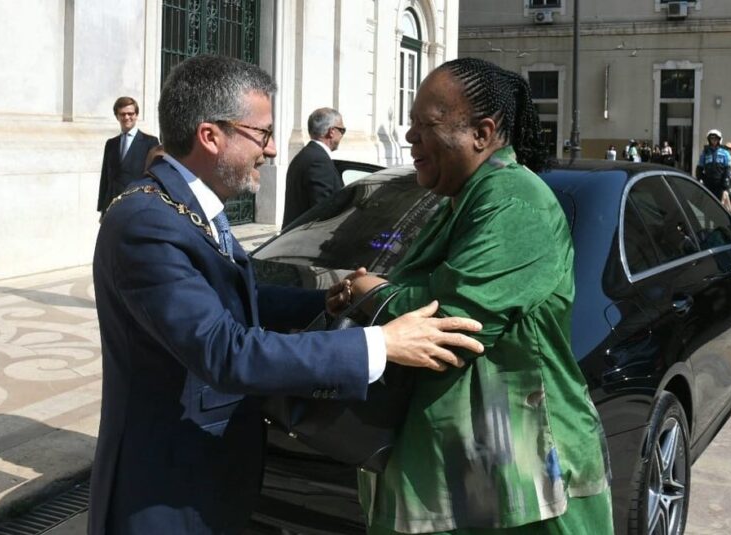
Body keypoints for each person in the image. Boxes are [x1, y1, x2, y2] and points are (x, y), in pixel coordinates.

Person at [89, 54, 485, 535]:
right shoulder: (144, 223)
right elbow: (223, 351)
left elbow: (239, 296)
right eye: (262, 134)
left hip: (213, 474)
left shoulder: (190, 207)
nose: (273, 150)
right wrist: (380, 344)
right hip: (166, 490)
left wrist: (323, 302)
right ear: (211, 136)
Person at [351, 58, 613, 535]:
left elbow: (455, 323)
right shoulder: (462, 199)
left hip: (525, 481)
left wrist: (374, 296)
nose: (410, 137)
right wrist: (363, 297)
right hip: (465, 473)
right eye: (410, 124)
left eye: (426, 125)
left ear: (483, 132)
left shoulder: (515, 200)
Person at [282, 107, 347, 227]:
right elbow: (323, 212)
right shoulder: (319, 161)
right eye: (342, 130)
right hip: (307, 241)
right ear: (332, 131)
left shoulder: (305, 155)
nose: (342, 135)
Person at [97, 96, 160, 214]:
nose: (126, 117)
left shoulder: (150, 142)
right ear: (117, 116)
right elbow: (105, 178)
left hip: (138, 206)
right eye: (122, 114)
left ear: (136, 115)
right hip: (113, 207)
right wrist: (102, 209)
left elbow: (154, 178)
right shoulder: (111, 144)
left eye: (130, 113)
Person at [696, 129, 731, 204]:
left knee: (720, 204)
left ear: (719, 140)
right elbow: (699, 167)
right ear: (709, 140)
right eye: (712, 139)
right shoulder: (705, 153)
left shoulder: (725, 153)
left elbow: (727, 169)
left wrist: (725, 183)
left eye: (715, 139)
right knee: (708, 203)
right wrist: (700, 179)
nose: (714, 141)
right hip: (708, 183)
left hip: (720, 184)